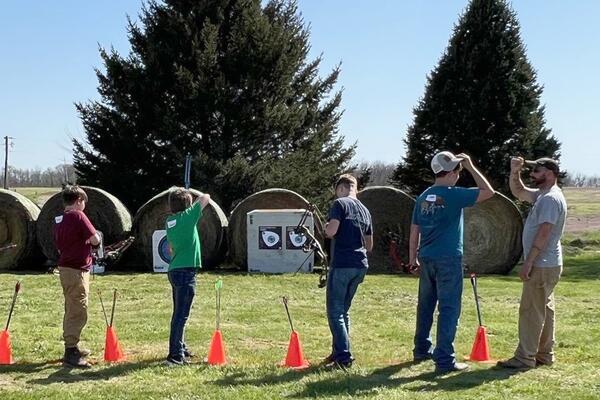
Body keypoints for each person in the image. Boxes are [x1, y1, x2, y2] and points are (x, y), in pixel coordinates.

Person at [409, 151, 494, 373]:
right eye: (458, 169)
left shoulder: (423, 196)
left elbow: (414, 230)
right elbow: (489, 192)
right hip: (448, 258)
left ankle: (421, 350)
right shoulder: (454, 194)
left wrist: (412, 259)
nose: (459, 173)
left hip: (426, 257)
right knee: (449, 309)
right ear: (452, 172)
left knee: (425, 306)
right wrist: (472, 166)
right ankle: (445, 359)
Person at [497, 157, 567, 369]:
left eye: (537, 170)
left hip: (542, 264)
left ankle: (524, 358)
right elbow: (519, 192)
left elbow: (544, 233)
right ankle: (544, 355)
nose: (533, 173)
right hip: (548, 263)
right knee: (544, 309)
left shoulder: (549, 199)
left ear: (550, 172)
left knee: (530, 311)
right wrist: (514, 171)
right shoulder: (542, 195)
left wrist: (528, 262)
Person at [323, 174, 373, 369]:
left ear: (342, 188)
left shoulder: (339, 204)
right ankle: (338, 352)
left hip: (342, 263)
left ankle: (343, 357)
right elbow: (369, 245)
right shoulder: (365, 210)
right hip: (360, 264)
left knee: (335, 311)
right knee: (344, 311)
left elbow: (332, 231)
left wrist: (326, 227)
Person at [53, 185, 101, 368]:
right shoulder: (79, 215)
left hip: (65, 268)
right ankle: (71, 350)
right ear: (78, 201)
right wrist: (92, 241)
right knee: (78, 309)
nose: (84, 207)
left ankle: (72, 346)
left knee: (71, 306)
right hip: (77, 270)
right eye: (83, 202)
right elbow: (95, 238)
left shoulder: (59, 220)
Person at [165, 187, 210, 366]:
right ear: (188, 205)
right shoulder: (188, 217)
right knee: (181, 316)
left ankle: (180, 348)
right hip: (185, 272)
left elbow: (171, 248)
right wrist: (191, 192)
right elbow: (206, 197)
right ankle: (175, 356)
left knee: (179, 313)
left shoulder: (170, 221)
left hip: (175, 270)